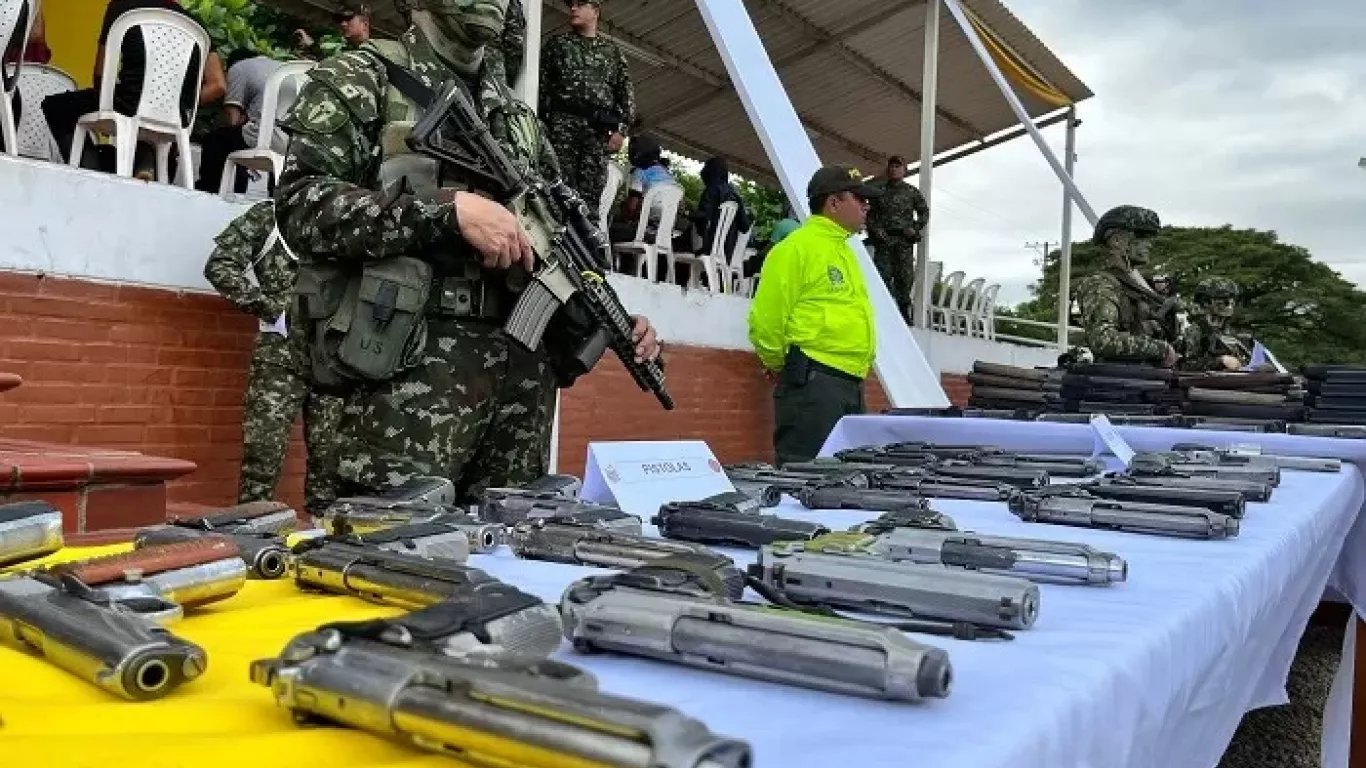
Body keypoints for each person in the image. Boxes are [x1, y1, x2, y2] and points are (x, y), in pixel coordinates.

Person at [275, 0, 661, 501]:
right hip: (406, 373)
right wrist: (445, 210)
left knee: (508, 558)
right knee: (387, 558)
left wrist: (610, 314)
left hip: (520, 387)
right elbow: (300, 205)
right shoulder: (362, 76)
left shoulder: (521, 120)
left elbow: (553, 240)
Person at [203, 201, 344, 513]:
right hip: (279, 356)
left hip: (335, 359)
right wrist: (271, 309)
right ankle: (254, 535)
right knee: (262, 457)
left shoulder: (347, 217)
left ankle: (330, 543)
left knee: (331, 462)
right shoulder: (270, 216)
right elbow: (219, 265)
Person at [748, 165, 880, 466]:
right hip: (814, 382)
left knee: (848, 481)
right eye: (859, 198)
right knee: (804, 477)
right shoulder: (795, 248)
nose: (866, 205)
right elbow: (766, 319)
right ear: (833, 203)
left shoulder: (844, 252)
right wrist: (782, 365)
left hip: (850, 381)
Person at [43, 0, 225, 176]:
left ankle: (94, 172)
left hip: (127, 104)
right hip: (174, 118)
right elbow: (218, 85)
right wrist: (173, 106)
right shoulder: (194, 24)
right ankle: (144, 158)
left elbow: (102, 72)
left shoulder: (122, 7)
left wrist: (104, 102)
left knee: (58, 106)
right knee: (151, 141)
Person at [539, 0, 634, 203]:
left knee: (590, 196)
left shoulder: (612, 52)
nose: (573, 9)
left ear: (595, 11)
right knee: (558, 190)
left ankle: (584, 234)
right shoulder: (557, 45)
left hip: (596, 133)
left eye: (580, 4)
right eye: (571, 4)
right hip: (561, 127)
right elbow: (540, 86)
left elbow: (626, 95)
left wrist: (621, 131)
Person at [1074, 205, 1179, 367]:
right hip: (1119, 382)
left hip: (1149, 377)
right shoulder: (1101, 284)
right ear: (1117, 241)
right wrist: (1159, 349)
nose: (1149, 244)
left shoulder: (1139, 285)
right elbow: (1103, 340)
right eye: (1142, 237)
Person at [196, 48, 287, 193]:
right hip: (293, 141)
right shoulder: (282, 68)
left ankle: (208, 190)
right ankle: (275, 196)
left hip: (265, 137)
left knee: (215, 140)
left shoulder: (238, 68)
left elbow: (233, 117)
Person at [865, 155, 929, 320]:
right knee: (882, 276)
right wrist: (876, 229)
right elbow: (869, 215)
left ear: (904, 170)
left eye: (898, 166)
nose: (894, 169)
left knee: (904, 278)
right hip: (884, 241)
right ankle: (880, 312)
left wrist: (914, 228)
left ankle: (903, 313)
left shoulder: (911, 192)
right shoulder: (879, 192)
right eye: (891, 166)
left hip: (903, 242)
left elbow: (924, 212)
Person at [1179, 277, 1254, 371]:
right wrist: (1220, 361)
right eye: (1224, 301)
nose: (1230, 306)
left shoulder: (1231, 332)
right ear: (1206, 303)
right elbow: (1186, 366)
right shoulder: (1195, 331)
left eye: (1232, 302)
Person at [690, 156, 751, 257]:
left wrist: (688, 214)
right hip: (728, 252)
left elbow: (704, 218)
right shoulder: (735, 195)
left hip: (709, 248)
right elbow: (745, 227)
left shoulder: (710, 190)